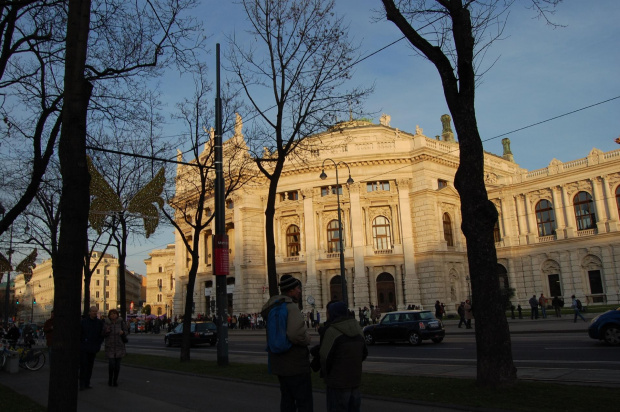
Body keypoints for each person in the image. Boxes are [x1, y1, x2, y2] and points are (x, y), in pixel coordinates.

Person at [262, 274, 312, 412]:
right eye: (297, 288)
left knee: (287, 400)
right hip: (295, 364)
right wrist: (307, 339)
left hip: (278, 364)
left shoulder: (272, 307)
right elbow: (295, 334)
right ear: (290, 291)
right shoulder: (291, 307)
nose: (299, 291)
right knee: (304, 401)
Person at [319, 301, 368, 412]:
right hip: (355, 380)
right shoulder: (358, 330)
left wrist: (327, 375)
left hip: (337, 382)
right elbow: (364, 353)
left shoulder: (332, 332)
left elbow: (325, 357)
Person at [79, 306, 104, 391]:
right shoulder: (83, 322)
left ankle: (87, 382)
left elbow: (101, 335)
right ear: (89, 312)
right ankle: (82, 383)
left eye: (95, 311)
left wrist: (98, 344)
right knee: (83, 366)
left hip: (93, 347)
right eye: (93, 311)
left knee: (90, 366)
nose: (94, 313)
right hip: (84, 347)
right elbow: (80, 334)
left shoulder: (99, 323)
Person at [103, 309, 128, 387]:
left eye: (114, 314)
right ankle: (110, 379)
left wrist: (123, 332)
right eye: (111, 314)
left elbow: (126, 331)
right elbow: (102, 333)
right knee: (111, 364)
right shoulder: (106, 323)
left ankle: (115, 380)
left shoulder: (121, 322)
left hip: (119, 346)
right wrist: (106, 331)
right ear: (109, 316)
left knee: (117, 366)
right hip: (110, 346)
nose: (113, 315)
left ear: (117, 315)